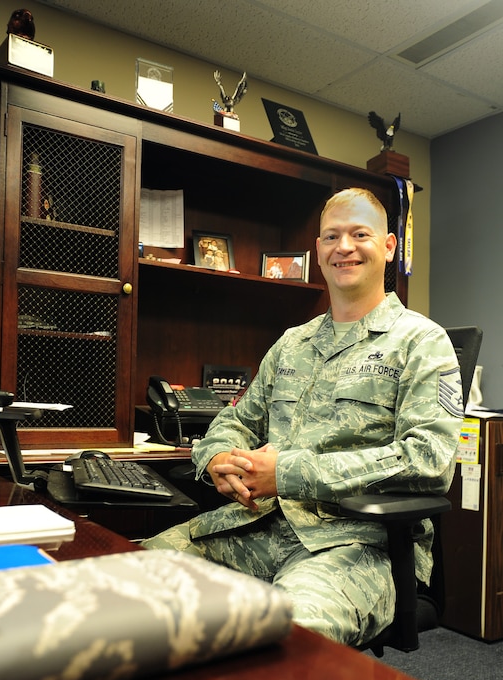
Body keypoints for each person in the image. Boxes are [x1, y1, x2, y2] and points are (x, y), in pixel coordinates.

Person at [143, 187, 464, 646]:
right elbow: (236, 421)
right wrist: (215, 459)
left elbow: (428, 461)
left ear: (390, 246)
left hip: (356, 545)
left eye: (360, 234)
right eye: (332, 236)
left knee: (286, 640)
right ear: (318, 251)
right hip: (256, 526)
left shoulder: (421, 342)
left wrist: (287, 473)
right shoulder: (292, 343)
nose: (344, 247)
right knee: (122, 581)